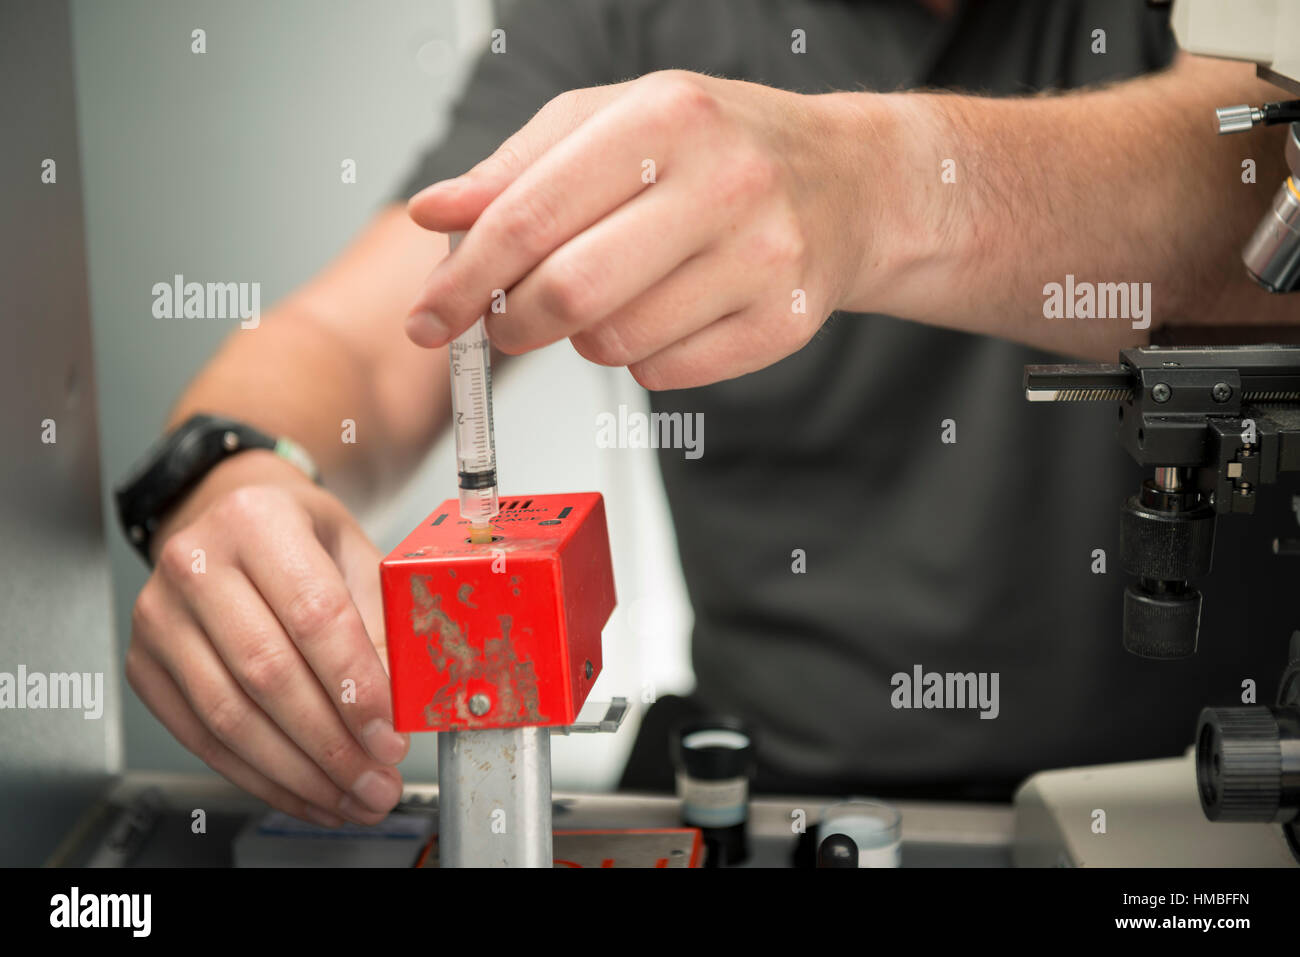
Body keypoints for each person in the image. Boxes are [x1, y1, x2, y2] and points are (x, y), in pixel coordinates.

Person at [119, 0, 1300, 828]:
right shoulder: (621, 15)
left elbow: (1256, 202)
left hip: (1214, 796)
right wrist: (230, 476)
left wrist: (873, 181)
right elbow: (362, 348)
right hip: (766, 782)